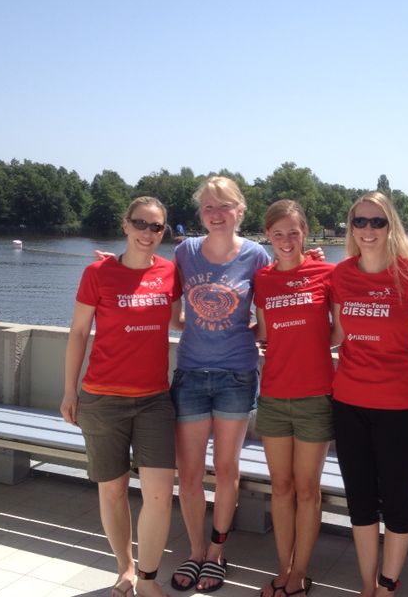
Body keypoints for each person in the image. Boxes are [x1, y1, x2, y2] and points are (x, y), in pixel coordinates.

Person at [61, 196, 180, 597]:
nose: (149, 233)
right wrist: (68, 391)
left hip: (154, 400)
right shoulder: (97, 273)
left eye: (157, 227)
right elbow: (78, 333)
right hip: (101, 398)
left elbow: (186, 314)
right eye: (141, 224)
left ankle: (147, 579)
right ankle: (125, 569)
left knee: (160, 494)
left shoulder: (171, 272)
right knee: (112, 490)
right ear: (126, 225)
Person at [330, 191, 408, 596]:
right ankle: (366, 586)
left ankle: (388, 585)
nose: (367, 230)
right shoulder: (341, 275)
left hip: (398, 408)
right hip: (347, 405)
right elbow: (338, 335)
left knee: (396, 502)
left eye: (376, 222)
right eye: (359, 222)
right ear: (351, 228)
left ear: (391, 226)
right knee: (360, 503)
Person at [169, 176, 271, 593]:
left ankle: (217, 551)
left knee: (226, 469)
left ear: (239, 210)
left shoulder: (257, 256)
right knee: (189, 472)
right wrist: (111, 264)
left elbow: (265, 321)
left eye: (223, 205)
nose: (215, 213)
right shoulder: (184, 252)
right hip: (191, 373)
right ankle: (195, 552)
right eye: (208, 207)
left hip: (236, 375)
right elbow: (170, 309)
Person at [253, 200, 335, 597]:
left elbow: (340, 328)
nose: (286, 241)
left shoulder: (326, 272)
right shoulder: (263, 280)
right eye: (278, 233)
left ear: (305, 233)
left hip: (315, 396)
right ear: (267, 235)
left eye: (294, 232)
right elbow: (265, 333)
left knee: (307, 490)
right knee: (281, 488)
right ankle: (283, 568)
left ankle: (300, 574)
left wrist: (315, 344)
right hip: (272, 395)